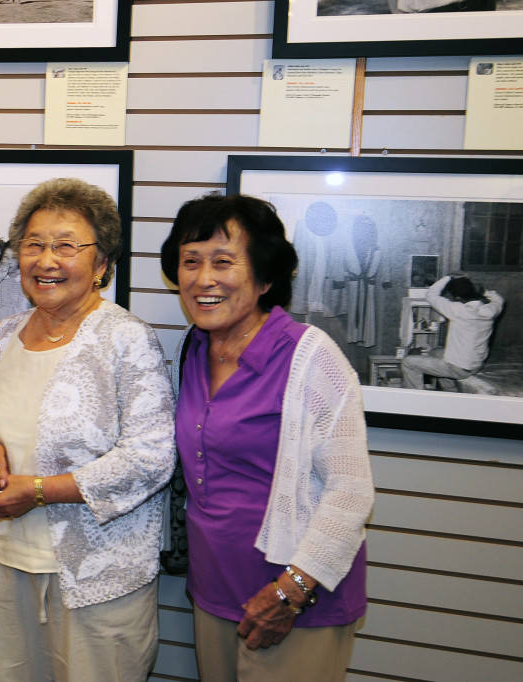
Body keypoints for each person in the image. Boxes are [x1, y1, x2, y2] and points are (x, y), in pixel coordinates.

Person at [0, 178, 176, 680]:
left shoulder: (126, 339)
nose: (46, 260)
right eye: (33, 245)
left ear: (101, 264)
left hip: (100, 576)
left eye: (66, 246)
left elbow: (151, 457)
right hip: (7, 563)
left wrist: (37, 491)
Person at [159, 193, 375, 680]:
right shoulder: (191, 350)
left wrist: (291, 591)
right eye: (190, 261)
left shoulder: (310, 357)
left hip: (299, 600)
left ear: (264, 276)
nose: (203, 278)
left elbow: (351, 492)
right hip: (213, 590)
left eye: (223, 261)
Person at [400, 273, 504, 391]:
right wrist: (484, 292)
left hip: (459, 369)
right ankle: (451, 391)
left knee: (408, 362)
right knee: (435, 352)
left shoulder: (459, 310)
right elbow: (499, 300)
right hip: (476, 365)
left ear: (458, 299)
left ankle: (418, 400)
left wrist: (449, 277)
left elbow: (430, 294)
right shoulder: (490, 310)